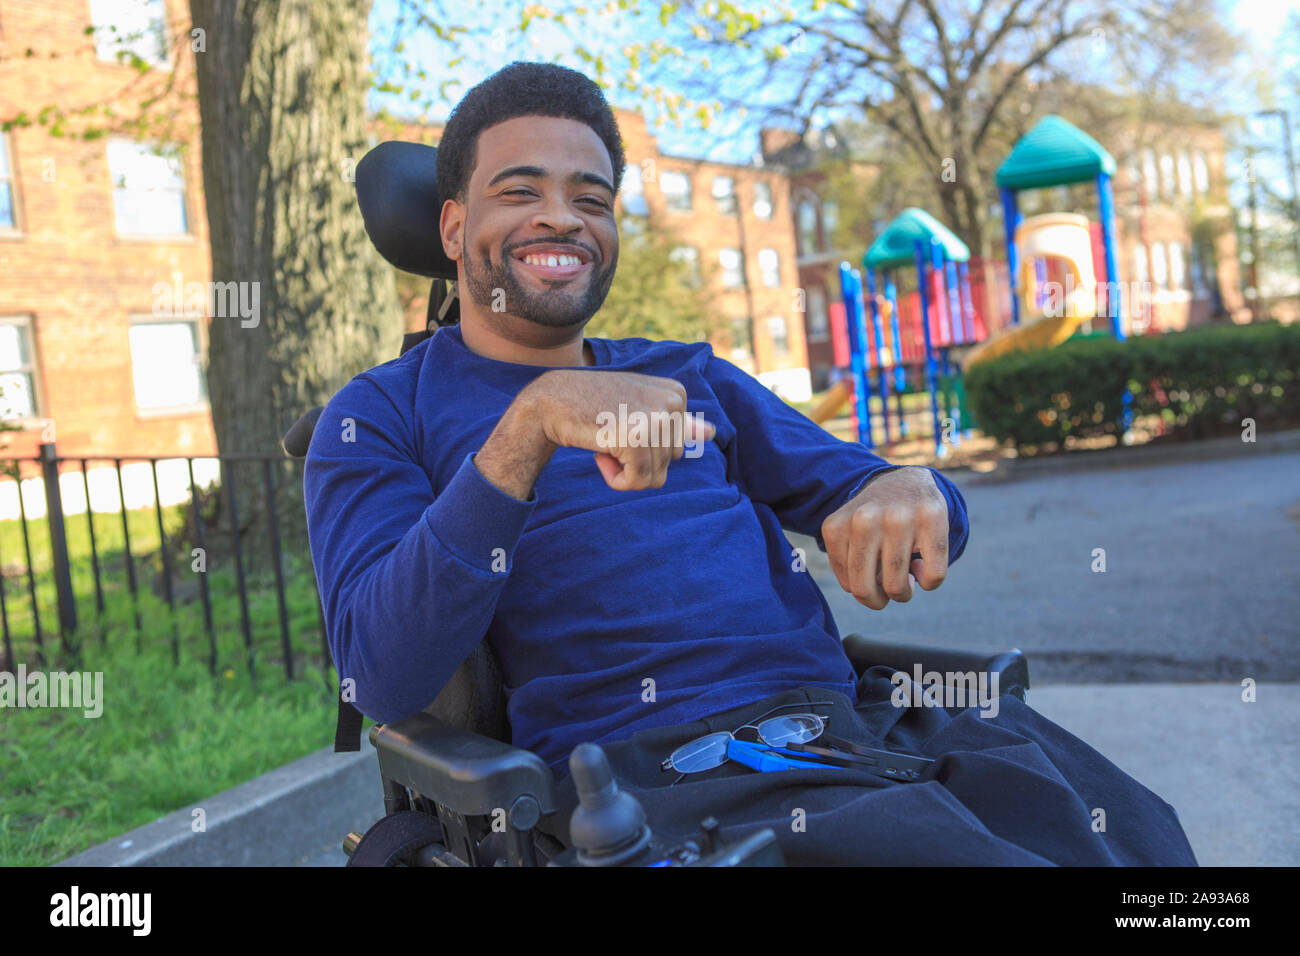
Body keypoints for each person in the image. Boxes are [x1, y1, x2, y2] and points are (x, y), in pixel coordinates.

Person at [303, 61, 1197, 865]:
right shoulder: (378, 416)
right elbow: (380, 677)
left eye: (592, 196)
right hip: (662, 781)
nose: (561, 217)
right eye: (519, 190)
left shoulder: (688, 374)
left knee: (1145, 846)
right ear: (453, 226)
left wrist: (909, 490)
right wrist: (527, 430)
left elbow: (873, 486)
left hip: (848, 733)